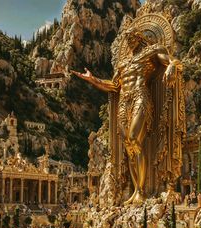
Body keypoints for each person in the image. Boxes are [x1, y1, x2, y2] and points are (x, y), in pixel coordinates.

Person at [72, 19, 184, 205]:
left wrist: (172, 66)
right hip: (124, 102)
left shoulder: (152, 51)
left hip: (141, 96)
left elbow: (173, 60)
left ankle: (141, 190)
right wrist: (92, 80)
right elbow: (114, 86)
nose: (130, 41)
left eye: (132, 37)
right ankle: (137, 191)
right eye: (127, 39)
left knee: (134, 139)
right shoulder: (123, 64)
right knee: (130, 149)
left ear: (139, 38)